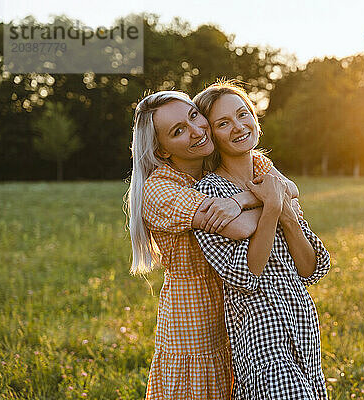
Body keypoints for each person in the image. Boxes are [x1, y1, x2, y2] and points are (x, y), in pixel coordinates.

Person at [125, 90, 289, 399]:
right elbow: (241, 227)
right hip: (194, 321)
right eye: (178, 131)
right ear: (162, 151)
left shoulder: (216, 165)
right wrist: (269, 203)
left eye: (194, 116)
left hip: (238, 306)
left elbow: (287, 187)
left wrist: (240, 199)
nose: (197, 130)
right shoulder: (159, 191)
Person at [192, 81, 331, 400]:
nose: (238, 127)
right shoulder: (211, 193)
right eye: (223, 123)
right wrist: (271, 207)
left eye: (243, 115)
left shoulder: (272, 182)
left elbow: (311, 268)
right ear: (211, 136)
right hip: (261, 336)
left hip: (302, 327)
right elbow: (245, 275)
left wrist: (284, 212)